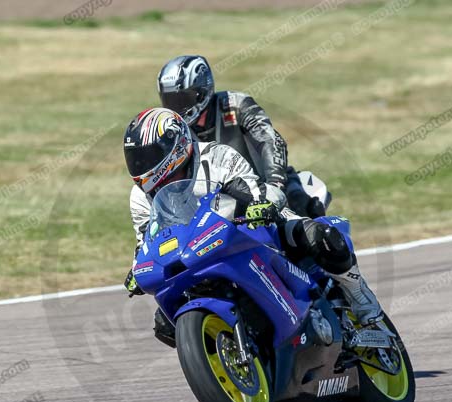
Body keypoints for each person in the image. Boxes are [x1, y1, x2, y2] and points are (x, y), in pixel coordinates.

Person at [122, 108, 382, 348]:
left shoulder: (215, 156)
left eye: (147, 156)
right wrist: (137, 267)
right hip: (195, 250)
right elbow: (146, 238)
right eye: (135, 158)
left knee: (317, 236)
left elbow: (251, 189)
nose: (141, 165)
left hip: (249, 228)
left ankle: (359, 298)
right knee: (165, 324)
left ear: (175, 143)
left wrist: (259, 205)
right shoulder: (140, 197)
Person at [156, 54, 328, 219]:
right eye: (169, 101)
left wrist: (275, 187)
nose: (176, 108)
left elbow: (271, 141)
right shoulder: (174, 130)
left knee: (301, 213)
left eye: (181, 100)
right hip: (219, 203)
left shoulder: (236, 105)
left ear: (201, 92)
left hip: (269, 187)